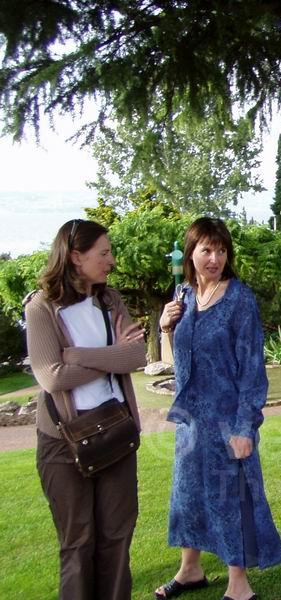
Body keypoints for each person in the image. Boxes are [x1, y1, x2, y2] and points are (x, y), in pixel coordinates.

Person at [156, 217, 281, 600]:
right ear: (190, 252)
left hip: (228, 422)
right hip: (191, 424)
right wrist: (165, 327)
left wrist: (245, 426)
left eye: (221, 250)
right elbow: (177, 362)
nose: (215, 258)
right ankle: (190, 570)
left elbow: (252, 370)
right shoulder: (184, 296)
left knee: (232, 498)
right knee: (188, 496)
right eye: (206, 250)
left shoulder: (239, 298)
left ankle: (238, 584)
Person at [25, 219, 147, 599]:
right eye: (104, 253)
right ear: (76, 257)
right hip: (64, 446)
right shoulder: (42, 307)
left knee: (116, 537)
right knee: (78, 544)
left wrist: (79, 356)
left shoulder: (109, 301)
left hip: (116, 433)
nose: (111, 261)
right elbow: (52, 377)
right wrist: (112, 357)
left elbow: (137, 355)